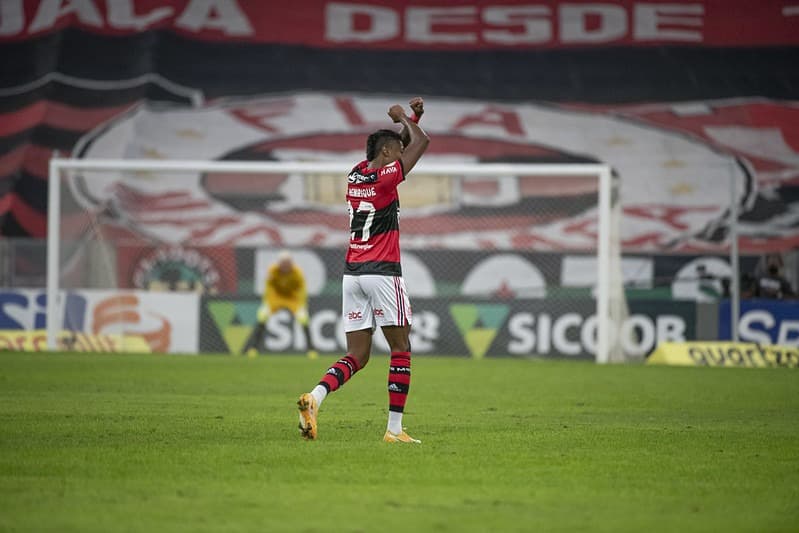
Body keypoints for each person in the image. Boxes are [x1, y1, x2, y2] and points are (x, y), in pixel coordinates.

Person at [297, 97, 430, 444]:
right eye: (397, 155)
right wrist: (404, 116)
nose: (403, 160)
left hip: (352, 273)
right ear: (387, 156)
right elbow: (422, 142)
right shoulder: (387, 181)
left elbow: (402, 143)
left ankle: (315, 397)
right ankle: (394, 430)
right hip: (383, 272)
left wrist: (412, 117)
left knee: (358, 354)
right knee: (400, 349)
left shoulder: (356, 172)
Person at [242, 250, 318, 359]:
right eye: (283, 262)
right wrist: (267, 301)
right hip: (276, 297)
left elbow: (302, 289)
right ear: (280, 263)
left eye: (288, 262)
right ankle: (253, 348)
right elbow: (269, 287)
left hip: (293, 298)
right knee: (262, 315)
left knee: (303, 318)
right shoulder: (273, 270)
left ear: (291, 263)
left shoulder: (297, 272)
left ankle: (311, 350)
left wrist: (302, 304)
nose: (285, 265)